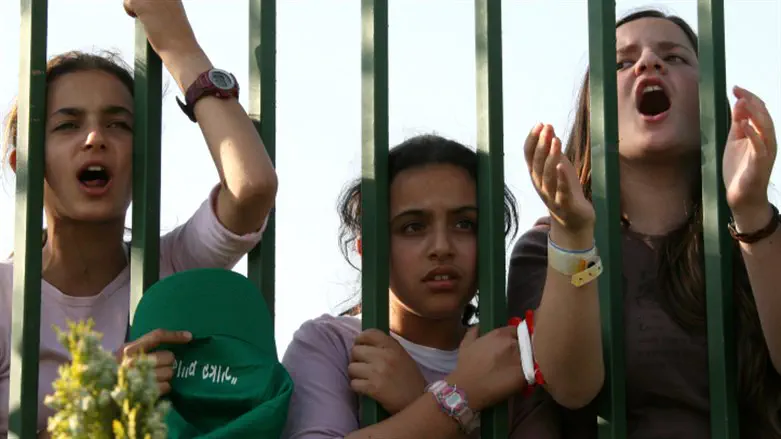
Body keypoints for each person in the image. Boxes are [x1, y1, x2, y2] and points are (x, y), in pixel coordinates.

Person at [0, 0, 277, 436]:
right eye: (68, 125)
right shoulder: (3, 298)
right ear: (24, 166)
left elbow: (253, 187)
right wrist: (102, 401)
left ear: (143, 161)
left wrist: (177, 43)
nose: (95, 138)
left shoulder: (169, 269)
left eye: (119, 125)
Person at [507, 8, 779, 439]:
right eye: (621, 63)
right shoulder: (544, 247)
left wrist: (749, 209)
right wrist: (573, 234)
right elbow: (571, 387)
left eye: (674, 57)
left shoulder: (761, 234)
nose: (648, 62)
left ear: (709, 101)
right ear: (593, 110)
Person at [281, 134, 537, 438]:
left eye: (464, 224)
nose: (442, 247)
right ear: (368, 250)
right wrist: (463, 393)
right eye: (413, 227)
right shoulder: (332, 345)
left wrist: (421, 399)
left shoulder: (508, 354)